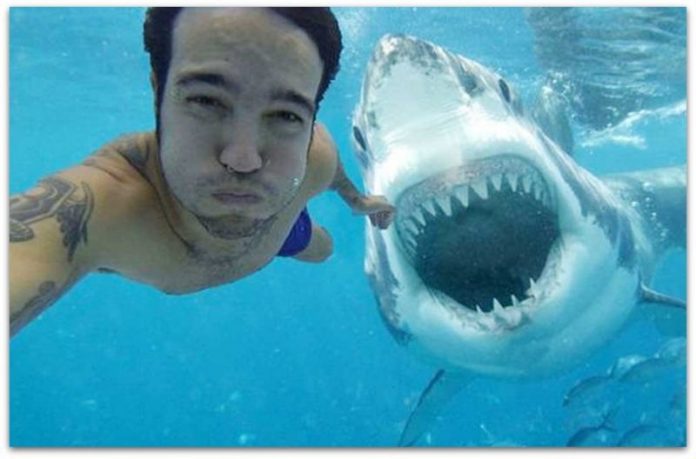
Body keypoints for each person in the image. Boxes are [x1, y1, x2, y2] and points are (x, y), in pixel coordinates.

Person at [9, 7, 395, 337]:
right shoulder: (97, 209)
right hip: (270, 215)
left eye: (285, 115)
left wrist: (358, 200)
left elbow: (332, 169)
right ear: (157, 91)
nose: (243, 161)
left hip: (278, 225)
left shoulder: (317, 156)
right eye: (207, 101)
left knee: (323, 250)